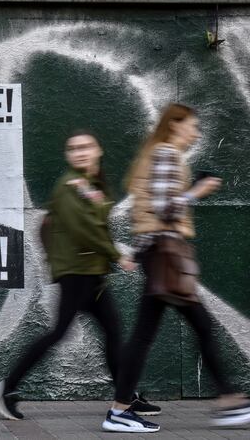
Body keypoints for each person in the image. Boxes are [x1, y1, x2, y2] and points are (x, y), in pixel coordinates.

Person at [0, 131, 159, 420]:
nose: (80, 152)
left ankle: (125, 397)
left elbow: (94, 223)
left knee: (113, 333)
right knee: (59, 332)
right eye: (73, 148)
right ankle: (6, 388)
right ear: (68, 156)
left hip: (91, 274)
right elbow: (84, 230)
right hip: (77, 274)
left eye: (86, 147)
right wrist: (118, 255)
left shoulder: (90, 185)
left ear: (98, 150)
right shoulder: (69, 186)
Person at [102, 104, 250, 433]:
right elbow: (163, 209)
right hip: (168, 257)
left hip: (158, 256)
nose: (195, 133)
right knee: (202, 328)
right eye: (191, 126)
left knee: (144, 336)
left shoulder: (154, 154)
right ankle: (228, 400)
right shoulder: (167, 153)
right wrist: (197, 191)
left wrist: (138, 255)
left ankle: (120, 409)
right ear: (174, 126)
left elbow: (145, 216)